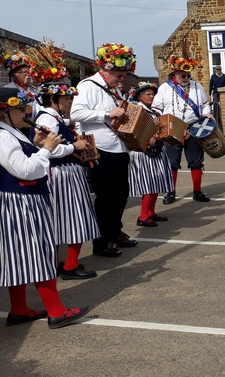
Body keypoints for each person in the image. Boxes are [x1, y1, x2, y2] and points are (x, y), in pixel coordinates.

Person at [0, 88, 90, 328]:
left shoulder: (10, 133)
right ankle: (57, 311)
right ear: (5, 112)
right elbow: (26, 170)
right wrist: (47, 148)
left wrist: (36, 144)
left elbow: (21, 160)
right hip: (21, 202)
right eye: (20, 109)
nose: (25, 113)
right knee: (40, 253)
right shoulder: (3, 136)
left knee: (18, 257)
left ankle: (19, 309)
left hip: (19, 200)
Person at [71, 43, 136, 258]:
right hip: (101, 149)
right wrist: (106, 114)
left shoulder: (112, 89)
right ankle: (102, 241)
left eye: (123, 75)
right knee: (106, 197)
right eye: (118, 75)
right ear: (105, 70)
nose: (121, 79)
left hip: (118, 148)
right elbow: (76, 113)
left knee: (121, 194)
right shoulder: (88, 85)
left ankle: (114, 231)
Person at [35, 83, 99, 280]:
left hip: (61, 172)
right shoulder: (48, 118)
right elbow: (49, 149)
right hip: (61, 172)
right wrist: (75, 146)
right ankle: (70, 265)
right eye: (67, 99)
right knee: (75, 218)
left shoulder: (51, 117)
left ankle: (55, 264)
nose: (71, 102)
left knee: (60, 219)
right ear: (54, 100)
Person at [153, 55, 212, 205]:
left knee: (196, 162)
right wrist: (162, 123)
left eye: (188, 75)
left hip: (193, 127)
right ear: (175, 74)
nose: (186, 77)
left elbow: (205, 105)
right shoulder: (165, 88)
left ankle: (197, 192)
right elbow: (156, 108)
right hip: (172, 128)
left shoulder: (197, 86)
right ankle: (170, 192)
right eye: (183, 75)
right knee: (172, 163)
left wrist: (207, 112)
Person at [129, 82, 174, 227]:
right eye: (148, 94)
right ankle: (143, 216)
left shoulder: (152, 111)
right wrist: (149, 136)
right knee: (148, 183)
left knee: (156, 182)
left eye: (152, 94)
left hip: (156, 151)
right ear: (140, 96)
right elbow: (132, 131)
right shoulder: (136, 110)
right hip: (144, 152)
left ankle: (151, 212)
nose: (151, 96)